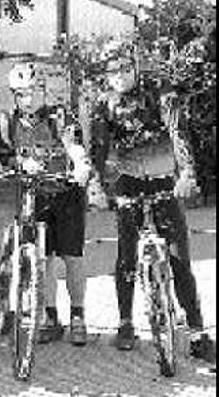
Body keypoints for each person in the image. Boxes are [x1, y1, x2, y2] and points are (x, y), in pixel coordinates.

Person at [89, 43, 215, 363]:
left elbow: (178, 131)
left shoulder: (159, 91)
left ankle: (198, 331)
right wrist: (99, 186)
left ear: (134, 67)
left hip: (163, 181)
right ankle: (126, 322)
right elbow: (100, 148)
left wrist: (186, 173)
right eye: (111, 70)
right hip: (128, 183)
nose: (118, 76)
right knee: (126, 258)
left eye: (123, 68)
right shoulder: (104, 104)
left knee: (179, 259)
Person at [0, 63, 92, 346]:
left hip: (66, 192)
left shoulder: (58, 116)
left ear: (44, 92)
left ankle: (78, 315)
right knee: (43, 259)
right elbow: (5, 157)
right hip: (34, 195)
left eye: (35, 92)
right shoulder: (7, 122)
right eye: (22, 94)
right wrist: (22, 162)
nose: (29, 99)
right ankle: (51, 316)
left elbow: (74, 143)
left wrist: (81, 164)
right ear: (14, 95)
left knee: (72, 257)